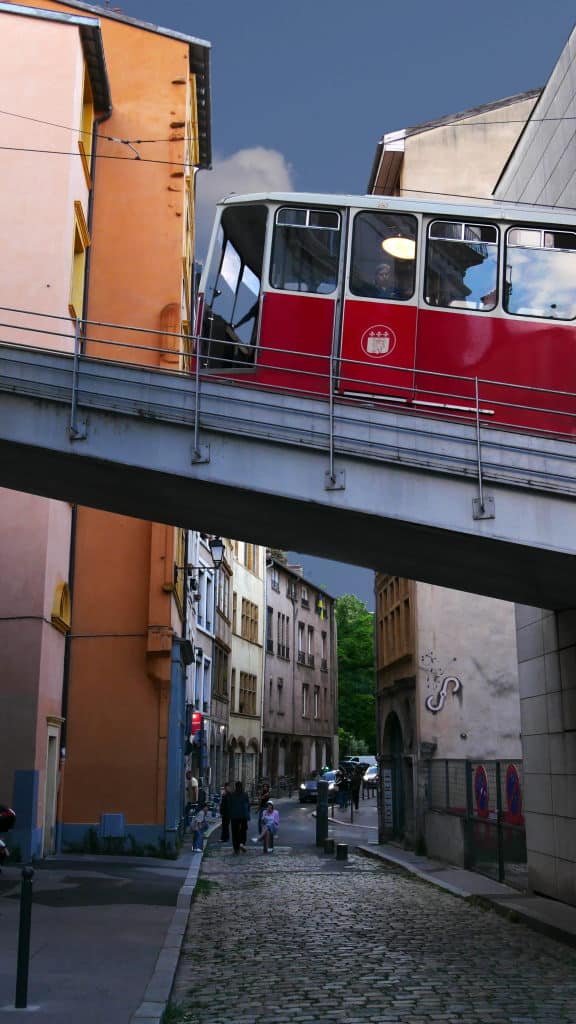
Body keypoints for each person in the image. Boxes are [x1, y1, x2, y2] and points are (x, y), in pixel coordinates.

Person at [228, 780, 250, 854]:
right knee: (243, 830)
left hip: (234, 816)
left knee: (235, 832)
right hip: (243, 815)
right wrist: (248, 814)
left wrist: (229, 814)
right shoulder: (245, 795)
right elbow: (248, 805)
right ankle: (242, 843)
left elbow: (229, 805)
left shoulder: (232, 794)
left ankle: (236, 848)